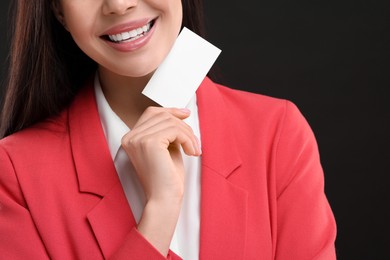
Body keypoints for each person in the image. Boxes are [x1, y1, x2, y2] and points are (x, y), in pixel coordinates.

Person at [0, 0, 337, 259]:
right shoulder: (16, 175)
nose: (119, 4)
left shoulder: (275, 133)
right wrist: (159, 213)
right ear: (58, 9)